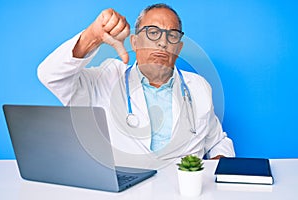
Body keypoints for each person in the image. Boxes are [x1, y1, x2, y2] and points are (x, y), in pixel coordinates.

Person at [38, 3, 235, 168]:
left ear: (179, 47)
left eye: (172, 35)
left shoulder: (198, 87)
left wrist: (216, 169)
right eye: (153, 33)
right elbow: (50, 75)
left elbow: (217, 141)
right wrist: (93, 37)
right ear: (134, 42)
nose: (163, 43)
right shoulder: (106, 78)